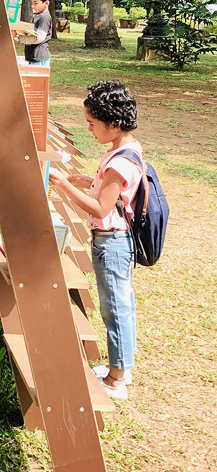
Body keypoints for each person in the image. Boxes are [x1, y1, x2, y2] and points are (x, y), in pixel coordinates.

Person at [48, 81, 142, 401]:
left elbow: (101, 208)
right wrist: (89, 181)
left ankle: (116, 381)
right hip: (115, 241)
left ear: (113, 123)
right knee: (120, 306)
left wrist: (63, 185)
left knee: (115, 309)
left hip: (111, 243)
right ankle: (121, 366)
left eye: (91, 123)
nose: (88, 129)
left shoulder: (119, 162)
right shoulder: (126, 149)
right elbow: (115, 194)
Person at [23, 0, 53, 66]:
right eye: (32, 3)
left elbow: (39, 37)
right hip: (34, 57)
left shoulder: (44, 17)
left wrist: (22, 38)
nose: (32, 6)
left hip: (40, 59)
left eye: (36, 3)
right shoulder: (39, 16)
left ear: (46, 3)